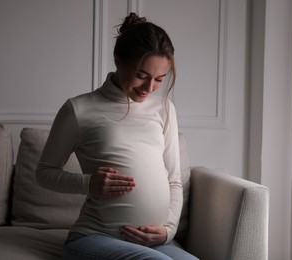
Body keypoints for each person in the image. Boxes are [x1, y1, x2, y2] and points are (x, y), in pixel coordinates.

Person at [36, 13, 198, 260]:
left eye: (159, 80)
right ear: (118, 60)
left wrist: (168, 231)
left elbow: (174, 181)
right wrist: (88, 183)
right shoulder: (79, 109)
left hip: (155, 243)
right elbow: (44, 173)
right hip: (94, 238)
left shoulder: (164, 109)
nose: (148, 88)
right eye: (141, 75)